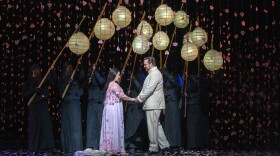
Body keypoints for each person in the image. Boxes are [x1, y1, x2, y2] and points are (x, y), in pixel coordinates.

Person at [135, 57, 170, 154]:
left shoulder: (155, 74)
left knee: (152, 126)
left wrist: (139, 98)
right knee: (157, 126)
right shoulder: (151, 74)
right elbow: (145, 88)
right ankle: (165, 146)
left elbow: (149, 89)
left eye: (146, 64)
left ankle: (153, 147)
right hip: (152, 104)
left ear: (151, 64)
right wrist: (139, 97)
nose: (144, 66)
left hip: (153, 104)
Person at [99, 68, 136, 154]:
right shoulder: (114, 85)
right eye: (118, 75)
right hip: (113, 109)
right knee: (113, 126)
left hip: (110, 108)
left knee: (111, 127)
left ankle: (110, 147)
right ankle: (113, 148)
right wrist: (133, 99)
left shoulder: (110, 84)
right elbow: (122, 96)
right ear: (114, 75)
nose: (119, 76)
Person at [21, 64, 55, 151]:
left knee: (45, 125)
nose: (38, 71)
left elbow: (52, 80)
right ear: (32, 71)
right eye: (36, 69)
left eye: (39, 69)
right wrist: (34, 90)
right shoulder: (28, 81)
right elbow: (24, 94)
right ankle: (33, 146)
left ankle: (46, 146)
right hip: (34, 106)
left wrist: (52, 70)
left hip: (43, 104)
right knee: (34, 126)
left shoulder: (43, 79)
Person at [58, 59, 85, 154]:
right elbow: (60, 91)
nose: (71, 68)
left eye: (71, 67)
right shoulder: (63, 79)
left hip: (75, 102)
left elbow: (82, 76)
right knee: (67, 126)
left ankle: (76, 147)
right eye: (69, 67)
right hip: (66, 103)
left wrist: (80, 66)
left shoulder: (75, 77)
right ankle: (68, 147)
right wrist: (67, 83)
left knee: (75, 126)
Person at [125, 68, 148, 153]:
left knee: (137, 127)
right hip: (131, 106)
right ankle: (129, 144)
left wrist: (134, 80)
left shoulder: (143, 79)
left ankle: (136, 145)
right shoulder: (130, 80)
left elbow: (142, 90)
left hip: (138, 106)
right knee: (130, 127)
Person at [86, 63, 106, 149]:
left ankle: (100, 144)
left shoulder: (102, 73)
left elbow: (102, 81)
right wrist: (90, 75)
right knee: (91, 124)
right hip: (91, 100)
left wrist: (95, 71)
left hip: (99, 101)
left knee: (100, 123)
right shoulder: (90, 75)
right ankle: (91, 144)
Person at [161, 68, 182, 149]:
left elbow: (175, 83)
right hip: (167, 102)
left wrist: (166, 73)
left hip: (173, 101)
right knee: (168, 124)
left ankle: (175, 143)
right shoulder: (165, 79)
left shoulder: (175, 77)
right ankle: (169, 143)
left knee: (174, 123)